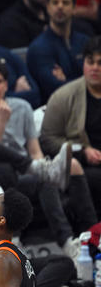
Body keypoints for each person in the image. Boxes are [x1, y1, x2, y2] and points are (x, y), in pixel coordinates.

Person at [0, 59, 96, 259]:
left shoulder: (22, 107)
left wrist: (39, 165)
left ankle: (69, 243)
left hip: (22, 174)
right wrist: (1, 123)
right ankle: (14, 244)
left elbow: (34, 150)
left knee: (45, 179)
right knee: (4, 169)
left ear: (6, 85)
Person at [40, 36, 101, 217]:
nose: (95, 68)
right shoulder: (63, 97)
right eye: (90, 62)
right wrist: (82, 150)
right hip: (82, 165)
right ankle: (92, 232)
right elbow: (48, 140)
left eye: (100, 63)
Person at [27, 0, 90, 100]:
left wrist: (67, 81)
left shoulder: (85, 42)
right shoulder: (39, 48)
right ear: (47, 7)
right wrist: (89, 81)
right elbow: (55, 88)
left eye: (65, 3)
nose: (60, 6)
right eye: (55, 2)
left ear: (74, 8)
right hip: (55, 109)